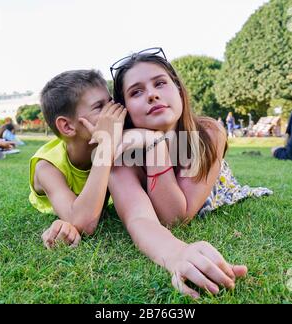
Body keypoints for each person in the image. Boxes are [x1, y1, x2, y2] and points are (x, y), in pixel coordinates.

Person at [108, 47, 272, 299]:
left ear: (179, 90)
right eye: (136, 92)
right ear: (124, 109)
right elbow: (141, 219)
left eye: (160, 83)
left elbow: (176, 215)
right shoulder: (119, 152)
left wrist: (153, 144)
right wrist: (175, 252)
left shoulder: (208, 132)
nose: (151, 94)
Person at [29, 69, 127, 249]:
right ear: (67, 126)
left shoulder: (113, 137)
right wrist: (105, 147)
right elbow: (83, 223)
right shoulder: (47, 168)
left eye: (111, 102)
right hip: (62, 203)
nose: (114, 111)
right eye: (99, 107)